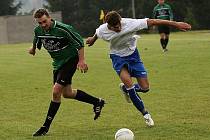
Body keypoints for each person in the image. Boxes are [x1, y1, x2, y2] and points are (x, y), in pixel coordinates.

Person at [86, 11, 191, 127]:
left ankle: (125, 89)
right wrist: (92, 39)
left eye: (119, 25)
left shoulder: (130, 23)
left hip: (133, 56)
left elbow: (154, 21)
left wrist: (177, 24)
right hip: (117, 57)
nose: (119, 28)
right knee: (130, 86)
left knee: (145, 88)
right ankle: (146, 115)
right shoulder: (103, 30)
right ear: (108, 26)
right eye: (115, 28)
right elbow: (97, 33)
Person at [28, 8, 105, 136]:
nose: (43, 25)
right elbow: (37, 38)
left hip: (70, 60)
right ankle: (97, 102)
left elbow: (80, 42)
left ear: (49, 17)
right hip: (57, 64)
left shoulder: (63, 29)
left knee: (56, 91)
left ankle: (45, 127)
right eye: (39, 23)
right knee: (67, 93)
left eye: (44, 21)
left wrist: (81, 61)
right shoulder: (38, 30)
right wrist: (33, 49)